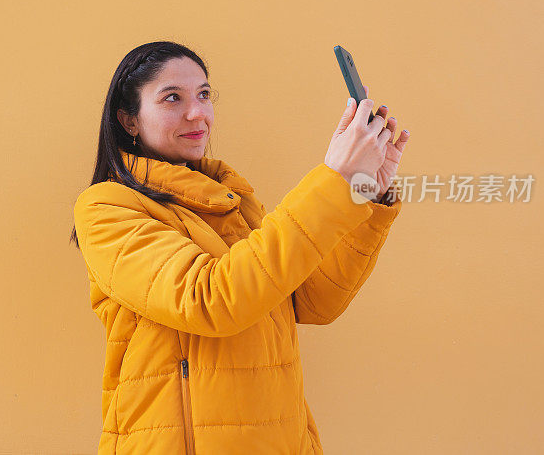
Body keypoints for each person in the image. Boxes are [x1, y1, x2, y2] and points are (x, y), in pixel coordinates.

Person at [70, 41, 409, 454]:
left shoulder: (232, 197)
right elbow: (210, 300)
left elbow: (315, 302)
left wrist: (362, 190)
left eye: (204, 94)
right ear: (129, 120)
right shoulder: (107, 206)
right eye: (172, 97)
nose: (197, 113)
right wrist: (333, 177)